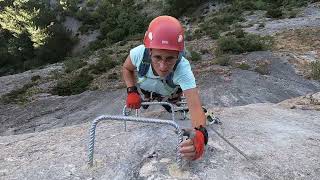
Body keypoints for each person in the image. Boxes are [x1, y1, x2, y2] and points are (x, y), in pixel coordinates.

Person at [122, 16, 208, 161]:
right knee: (155, 99)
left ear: (178, 55)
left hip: (170, 94)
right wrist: (131, 90)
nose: (162, 66)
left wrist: (201, 135)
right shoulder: (138, 54)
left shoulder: (183, 68)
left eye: (170, 59)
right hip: (148, 91)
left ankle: (167, 102)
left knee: (172, 104)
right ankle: (158, 100)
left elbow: (194, 106)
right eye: (157, 58)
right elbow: (126, 68)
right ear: (149, 51)